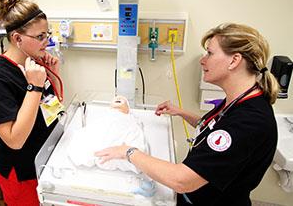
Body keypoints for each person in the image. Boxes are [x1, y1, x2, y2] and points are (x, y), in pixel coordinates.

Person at [95, 23, 280, 206]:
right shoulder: (240, 100)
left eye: (210, 53)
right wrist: (181, 112)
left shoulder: (250, 121)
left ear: (234, 60)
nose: (203, 60)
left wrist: (128, 152)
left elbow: (182, 181)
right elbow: (214, 130)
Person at [0, 0, 63, 206]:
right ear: (17, 38)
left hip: (45, 161)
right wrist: (34, 86)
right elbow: (14, 140)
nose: (47, 41)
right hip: (22, 173)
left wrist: (53, 74)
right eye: (40, 36)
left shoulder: (34, 65)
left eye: (48, 34)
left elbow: (53, 111)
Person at [67, 95, 147, 174]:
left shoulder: (131, 120)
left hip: (120, 149)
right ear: (110, 108)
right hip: (100, 148)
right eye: (115, 99)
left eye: (123, 100)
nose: (119, 97)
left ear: (128, 110)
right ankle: (99, 153)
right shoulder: (102, 118)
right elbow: (90, 131)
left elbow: (139, 151)